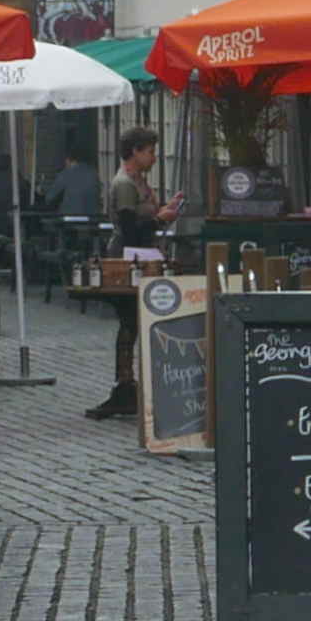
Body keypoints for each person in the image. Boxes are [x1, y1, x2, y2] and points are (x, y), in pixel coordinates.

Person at [87, 129, 174, 420]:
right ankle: (125, 382)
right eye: (149, 151)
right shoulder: (125, 184)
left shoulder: (140, 182)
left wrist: (164, 211)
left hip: (144, 256)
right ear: (135, 152)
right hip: (129, 258)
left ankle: (130, 382)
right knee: (129, 318)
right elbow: (130, 228)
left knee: (135, 320)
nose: (154, 157)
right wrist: (158, 219)